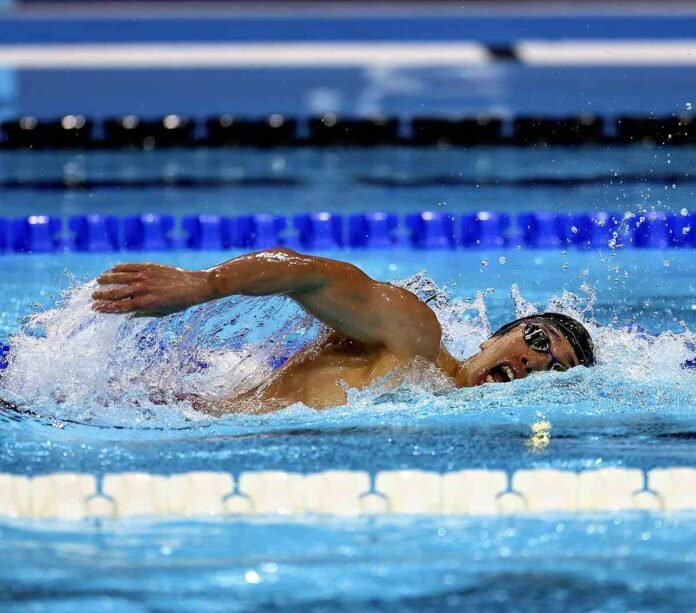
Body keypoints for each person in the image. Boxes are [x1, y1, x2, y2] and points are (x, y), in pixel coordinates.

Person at [91, 248, 595, 415]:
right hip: (166, 420)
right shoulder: (415, 338)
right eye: (536, 340)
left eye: (556, 369)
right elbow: (308, 274)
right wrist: (203, 284)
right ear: (493, 338)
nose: (536, 363)